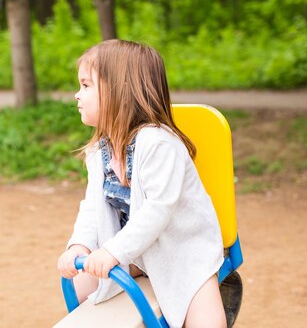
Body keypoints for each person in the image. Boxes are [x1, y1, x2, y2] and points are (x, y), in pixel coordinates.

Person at [57, 39, 226, 328]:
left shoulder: (159, 143)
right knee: (82, 285)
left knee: (206, 323)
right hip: (136, 251)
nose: (77, 94)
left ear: (120, 92)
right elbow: (92, 207)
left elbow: (157, 210)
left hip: (181, 250)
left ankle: (214, 295)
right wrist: (80, 245)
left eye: (86, 86)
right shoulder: (100, 151)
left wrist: (112, 252)